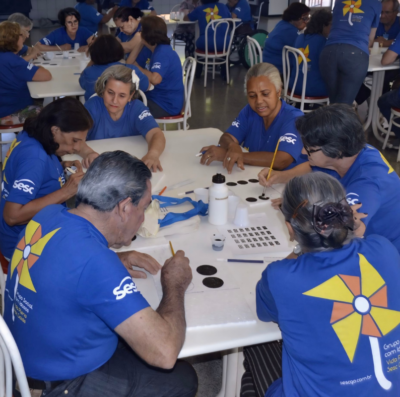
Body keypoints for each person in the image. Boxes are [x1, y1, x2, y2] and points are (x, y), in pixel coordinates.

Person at [4, 151, 198, 397]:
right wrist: (174, 282)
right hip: (58, 383)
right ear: (125, 207)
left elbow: (60, 261)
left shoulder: (48, 214)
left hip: (20, 361)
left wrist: (117, 258)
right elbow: (164, 352)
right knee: (182, 379)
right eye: (145, 207)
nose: (143, 217)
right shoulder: (95, 262)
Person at [241, 171, 400, 397]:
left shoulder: (280, 277)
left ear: (290, 229)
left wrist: (298, 249)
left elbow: (265, 314)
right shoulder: (383, 249)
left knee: (256, 348)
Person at [258, 104, 400, 253]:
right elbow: (312, 166)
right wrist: (282, 176)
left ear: (335, 149)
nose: (303, 152)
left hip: (389, 252)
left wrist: (306, 212)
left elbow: (349, 231)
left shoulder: (368, 183)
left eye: (309, 149)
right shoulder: (348, 153)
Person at [0, 97, 98, 261]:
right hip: (25, 248)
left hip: (35, 231)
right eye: (74, 140)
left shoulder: (34, 134)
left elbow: (28, 171)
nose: (76, 147)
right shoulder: (35, 159)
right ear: (55, 130)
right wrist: (66, 191)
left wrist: (59, 166)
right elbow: (12, 216)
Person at [200, 63, 305, 174]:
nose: (259, 101)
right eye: (252, 96)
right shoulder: (250, 111)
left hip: (281, 186)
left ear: (278, 91)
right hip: (253, 177)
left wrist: (230, 155)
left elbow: (281, 160)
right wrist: (232, 146)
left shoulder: (294, 118)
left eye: (265, 94)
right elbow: (227, 137)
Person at [84, 65, 165, 171]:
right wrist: (87, 152)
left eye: (122, 95)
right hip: (99, 168)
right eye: (110, 92)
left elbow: (156, 134)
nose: (114, 100)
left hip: (129, 168)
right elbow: (75, 138)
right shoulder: (91, 107)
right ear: (103, 89)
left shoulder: (137, 108)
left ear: (131, 96)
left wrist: (153, 154)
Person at [320, 0, 381, 105]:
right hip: (355, 53)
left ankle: (331, 121)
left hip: (329, 51)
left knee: (334, 103)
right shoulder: (375, 3)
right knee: (343, 105)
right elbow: (371, 38)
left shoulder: (339, 1)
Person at [0, 21, 51, 125]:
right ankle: (35, 138)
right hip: (11, 111)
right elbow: (46, 75)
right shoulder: (14, 61)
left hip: (4, 105)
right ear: (13, 39)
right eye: (21, 35)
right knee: (52, 113)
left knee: (40, 99)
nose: (24, 37)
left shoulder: (5, 55)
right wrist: (38, 66)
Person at [134, 16, 184, 118]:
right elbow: (130, 63)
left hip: (165, 105)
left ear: (147, 34)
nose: (139, 33)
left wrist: (138, 68)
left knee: (127, 108)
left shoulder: (162, 52)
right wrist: (141, 43)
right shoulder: (155, 49)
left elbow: (155, 79)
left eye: (141, 31)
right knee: (127, 100)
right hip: (159, 99)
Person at [79, 34, 149, 101]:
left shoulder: (88, 72)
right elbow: (146, 86)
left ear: (94, 53)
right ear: (119, 50)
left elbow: (82, 83)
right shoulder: (132, 70)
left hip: (96, 112)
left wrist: (92, 61)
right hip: (125, 112)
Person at [289, 8, 332, 98]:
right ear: (324, 25)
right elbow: (329, 68)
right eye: (331, 25)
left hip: (294, 86)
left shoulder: (300, 37)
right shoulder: (322, 42)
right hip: (313, 89)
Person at [262, 3, 311, 74]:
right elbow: (303, 48)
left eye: (308, 18)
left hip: (266, 64)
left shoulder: (281, 24)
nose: (306, 22)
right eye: (305, 18)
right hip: (278, 71)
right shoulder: (291, 31)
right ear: (295, 18)